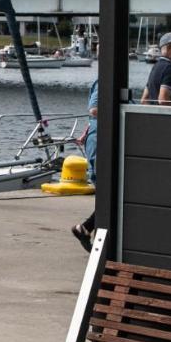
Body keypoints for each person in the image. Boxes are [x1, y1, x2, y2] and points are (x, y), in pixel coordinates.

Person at [70, 78, 98, 252]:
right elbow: (94, 110)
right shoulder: (104, 83)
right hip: (101, 141)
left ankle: (87, 229)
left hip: (98, 139)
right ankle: (85, 229)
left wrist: (86, 132)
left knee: (108, 195)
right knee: (108, 195)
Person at [141, 32, 171, 106]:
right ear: (169, 47)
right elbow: (163, 100)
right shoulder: (170, 69)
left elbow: (144, 100)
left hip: (158, 117)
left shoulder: (156, 67)